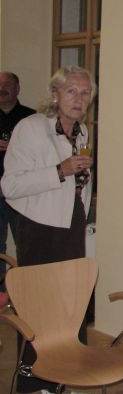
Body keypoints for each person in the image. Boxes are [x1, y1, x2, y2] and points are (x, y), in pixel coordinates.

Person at [1, 65, 97, 394]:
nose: (79, 99)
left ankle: (57, 381)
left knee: (69, 310)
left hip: (71, 227)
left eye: (85, 93)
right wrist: (60, 170)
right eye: (71, 91)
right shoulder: (31, 128)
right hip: (40, 230)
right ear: (55, 94)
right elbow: (10, 185)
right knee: (38, 314)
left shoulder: (81, 131)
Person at [0, 72, 35, 294]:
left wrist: (14, 146)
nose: (2, 88)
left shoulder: (31, 119)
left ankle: (24, 294)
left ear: (17, 89)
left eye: (8, 84)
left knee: (25, 245)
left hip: (21, 192)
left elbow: (39, 156)